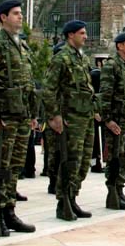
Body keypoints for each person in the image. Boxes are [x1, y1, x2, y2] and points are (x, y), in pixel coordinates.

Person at [0, 0, 37, 235]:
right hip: (4, 116)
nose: (20, 17)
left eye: (21, 13)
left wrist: (33, 114)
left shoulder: (21, 46)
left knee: (14, 167)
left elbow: (28, 84)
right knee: (0, 167)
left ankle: (9, 211)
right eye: (15, 13)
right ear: (3, 17)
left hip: (21, 115)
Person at [42, 20, 98, 219]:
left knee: (83, 163)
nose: (85, 36)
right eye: (81, 33)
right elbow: (49, 89)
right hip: (70, 119)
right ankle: (63, 201)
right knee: (70, 162)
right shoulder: (61, 58)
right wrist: (54, 115)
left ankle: (73, 197)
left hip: (85, 116)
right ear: (70, 35)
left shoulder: (81, 59)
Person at [99, 28, 125, 210]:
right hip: (116, 119)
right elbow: (105, 95)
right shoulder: (111, 65)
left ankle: (120, 190)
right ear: (119, 46)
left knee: (124, 157)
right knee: (114, 157)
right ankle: (112, 193)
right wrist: (108, 120)